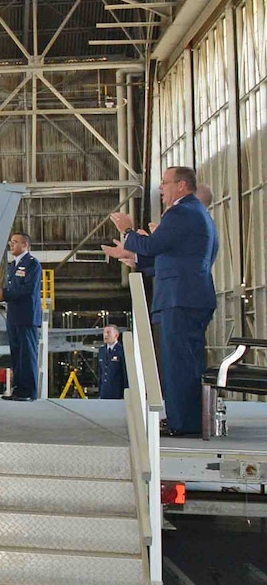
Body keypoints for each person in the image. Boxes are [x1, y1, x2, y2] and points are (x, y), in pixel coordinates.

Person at [106, 165, 220, 435]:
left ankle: (185, 423)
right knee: (184, 362)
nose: (161, 188)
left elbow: (154, 246)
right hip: (188, 295)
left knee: (179, 364)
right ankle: (185, 417)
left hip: (179, 298)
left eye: (165, 183)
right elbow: (172, 259)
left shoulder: (182, 212)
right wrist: (135, 258)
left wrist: (129, 231)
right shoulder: (196, 214)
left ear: (182, 185)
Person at [0, 232, 43, 401]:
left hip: (27, 316)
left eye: (15, 242)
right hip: (14, 315)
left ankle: (29, 392)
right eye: (11, 242)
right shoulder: (13, 265)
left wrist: (4, 293)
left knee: (28, 354)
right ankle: (19, 389)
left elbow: (28, 289)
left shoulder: (32, 264)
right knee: (17, 354)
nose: (11, 245)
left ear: (25, 245)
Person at [96, 323, 127, 401]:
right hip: (104, 393)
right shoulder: (101, 350)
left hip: (117, 393)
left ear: (116, 335)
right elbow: (101, 372)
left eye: (108, 332)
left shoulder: (122, 350)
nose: (105, 335)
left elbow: (125, 373)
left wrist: (125, 393)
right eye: (104, 333)